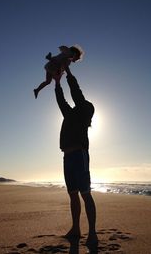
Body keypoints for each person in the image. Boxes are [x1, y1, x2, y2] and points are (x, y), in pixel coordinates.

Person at [54, 70, 98, 248]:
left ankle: (93, 233)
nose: (79, 103)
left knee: (85, 194)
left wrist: (68, 72)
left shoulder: (84, 112)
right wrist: (57, 83)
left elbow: (76, 92)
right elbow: (62, 101)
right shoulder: (70, 115)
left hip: (80, 156)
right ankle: (76, 229)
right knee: (72, 195)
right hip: (67, 156)